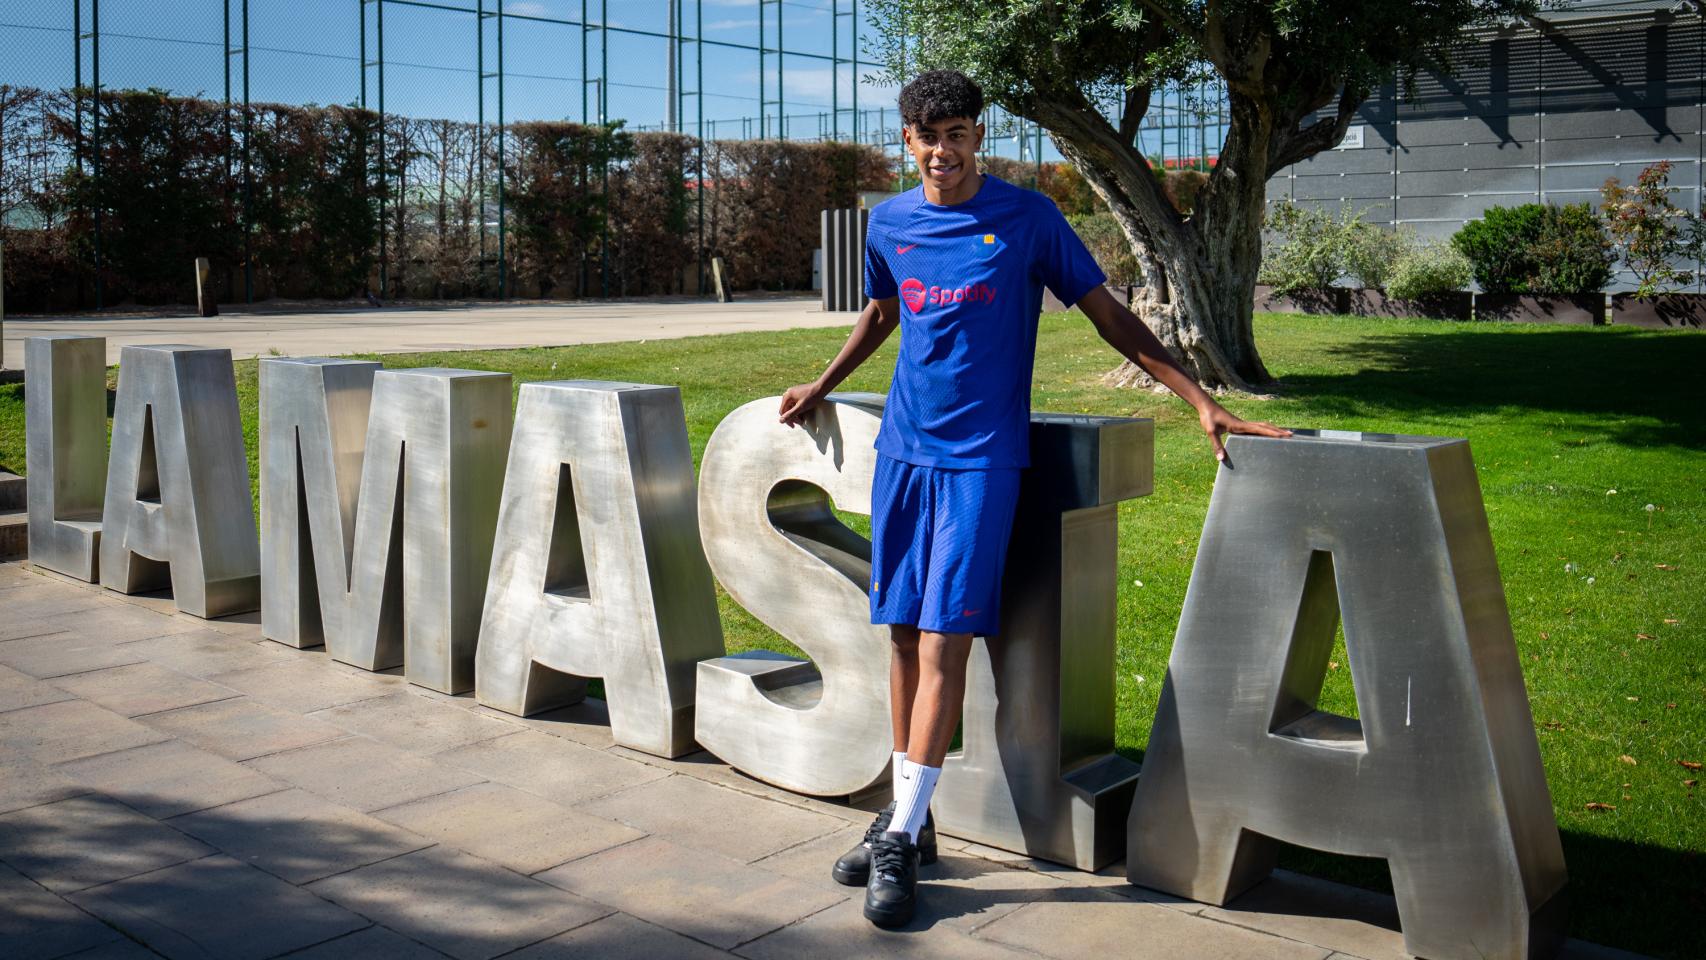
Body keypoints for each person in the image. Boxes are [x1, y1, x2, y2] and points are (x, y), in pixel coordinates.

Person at [777, 69, 1289, 928]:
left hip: (982, 461)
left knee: (944, 643)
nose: (942, 152)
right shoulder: (891, 221)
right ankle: (914, 817)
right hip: (902, 453)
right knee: (900, 636)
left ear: (979, 137)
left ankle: (898, 838)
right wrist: (824, 382)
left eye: (958, 134)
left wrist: (1200, 398)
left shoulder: (1026, 220)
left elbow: (1109, 316)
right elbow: (881, 312)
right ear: (906, 141)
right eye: (926, 137)